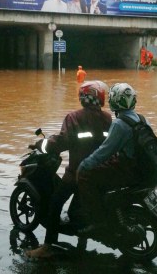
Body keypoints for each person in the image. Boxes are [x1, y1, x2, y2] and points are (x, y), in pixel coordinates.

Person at [25, 81, 113, 259]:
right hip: (101, 173)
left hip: (77, 172)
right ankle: (82, 240)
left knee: (55, 202)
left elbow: (62, 142)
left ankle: (48, 245)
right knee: (79, 205)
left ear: (83, 98)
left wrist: (41, 144)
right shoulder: (107, 119)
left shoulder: (74, 118)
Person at [76, 83, 145, 235]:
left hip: (127, 171)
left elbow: (104, 152)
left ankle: (97, 221)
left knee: (86, 177)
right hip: (139, 168)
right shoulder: (140, 119)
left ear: (114, 101)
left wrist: (84, 165)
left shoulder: (119, 124)